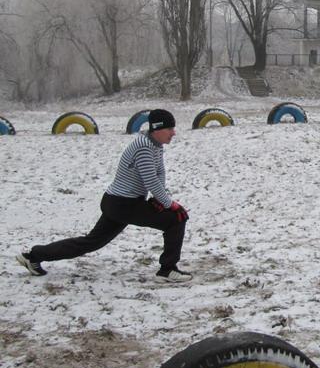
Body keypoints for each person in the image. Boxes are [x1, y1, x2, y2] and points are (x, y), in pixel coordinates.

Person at [16, 109, 192, 283]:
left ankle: (33, 256)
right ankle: (167, 270)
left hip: (119, 202)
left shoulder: (154, 145)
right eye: (170, 129)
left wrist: (161, 199)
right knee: (176, 218)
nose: (173, 133)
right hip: (123, 204)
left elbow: (159, 172)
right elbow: (151, 181)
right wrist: (170, 204)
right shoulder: (144, 147)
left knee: (90, 242)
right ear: (158, 129)